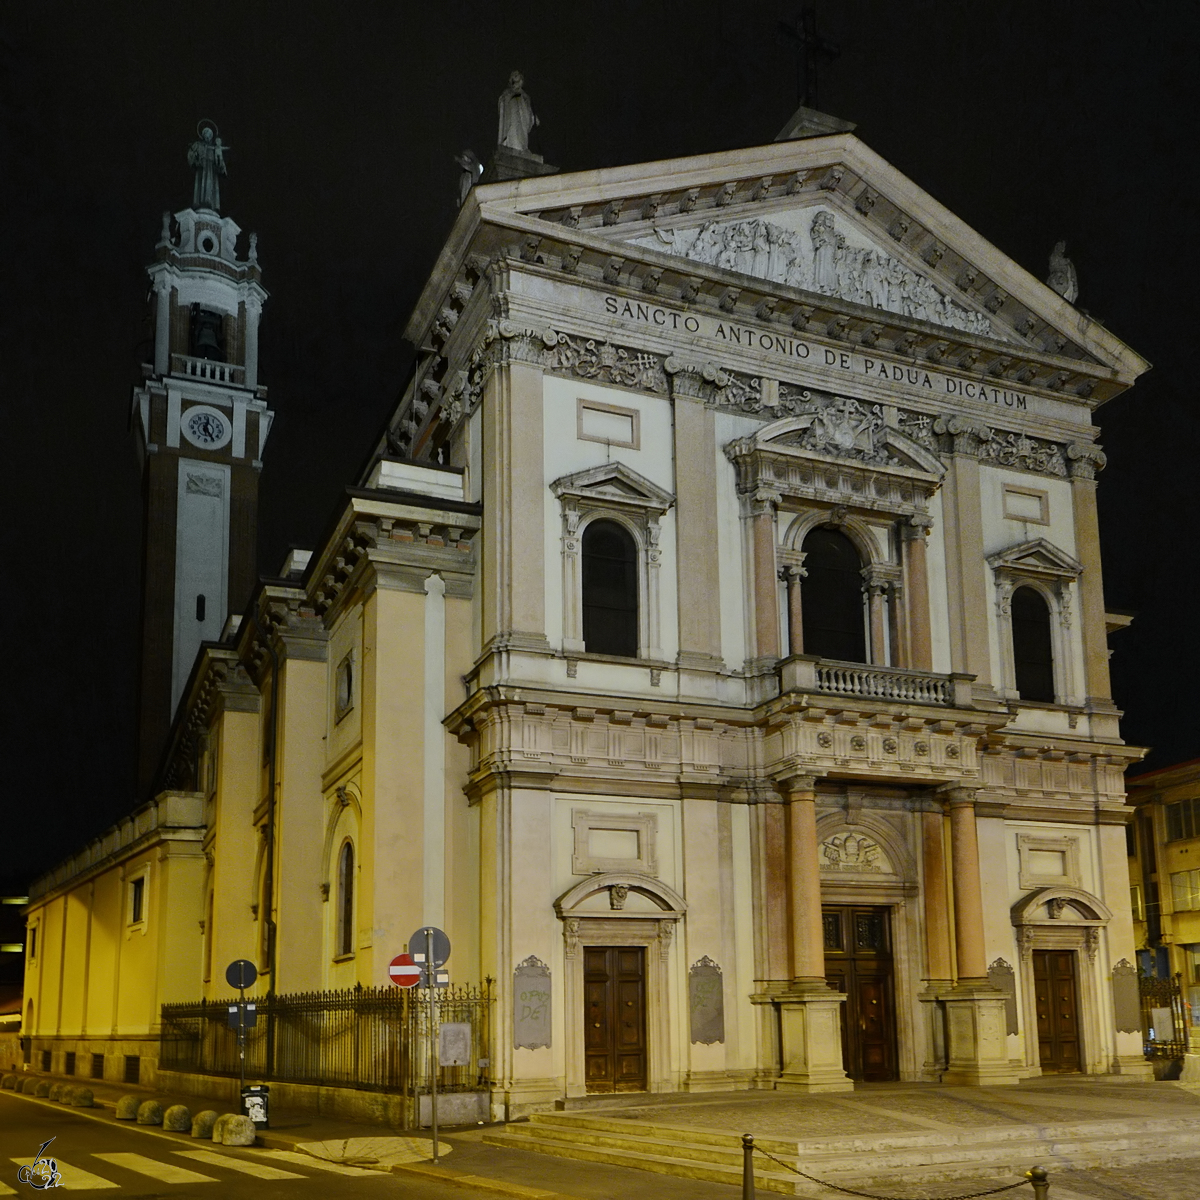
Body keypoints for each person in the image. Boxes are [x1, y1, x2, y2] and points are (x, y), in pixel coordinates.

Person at [188, 121, 228, 212]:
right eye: (206, 133)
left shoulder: (215, 149)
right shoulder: (198, 145)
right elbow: (191, 154)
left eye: (210, 134)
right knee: (200, 186)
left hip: (211, 172)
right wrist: (196, 158)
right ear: (203, 135)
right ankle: (200, 203)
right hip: (202, 169)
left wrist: (219, 157)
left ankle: (211, 204)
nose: (208, 136)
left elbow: (221, 166)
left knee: (211, 186)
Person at [497, 72, 538, 153]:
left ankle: (523, 148)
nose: (515, 77)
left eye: (517, 75)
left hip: (523, 119)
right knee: (513, 132)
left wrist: (533, 116)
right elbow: (502, 102)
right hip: (512, 118)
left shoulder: (525, 96)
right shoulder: (508, 92)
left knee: (522, 134)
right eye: (513, 76)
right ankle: (511, 146)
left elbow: (529, 109)